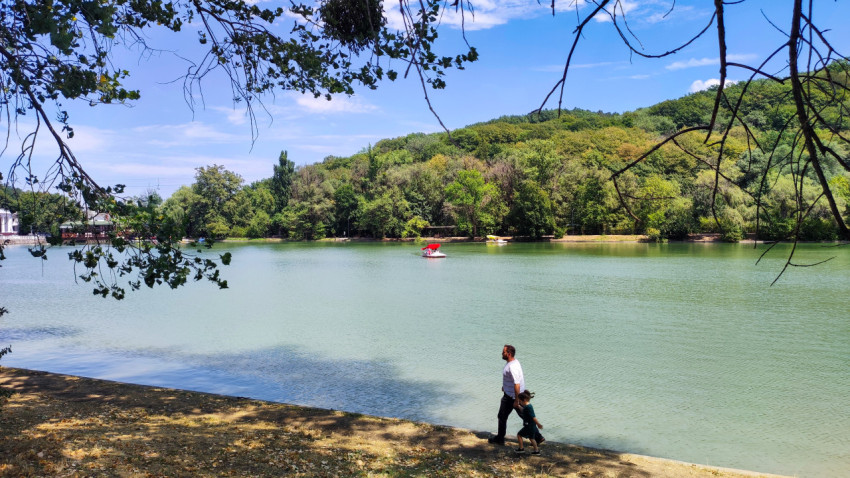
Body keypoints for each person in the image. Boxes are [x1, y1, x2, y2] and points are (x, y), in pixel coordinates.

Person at [488, 344, 525, 445]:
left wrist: (516, 400)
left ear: (509, 354)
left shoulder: (512, 366)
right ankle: (538, 437)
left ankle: (500, 439)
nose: (502, 353)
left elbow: (517, 384)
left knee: (502, 416)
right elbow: (512, 380)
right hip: (514, 395)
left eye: (503, 352)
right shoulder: (514, 362)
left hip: (512, 397)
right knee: (525, 416)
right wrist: (505, 386)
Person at [515, 390, 543, 455]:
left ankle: (521, 449)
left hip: (529, 426)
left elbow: (533, 417)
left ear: (524, 400)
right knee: (532, 438)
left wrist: (538, 424)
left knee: (519, 435)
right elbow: (524, 410)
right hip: (531, 426)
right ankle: (536, 451)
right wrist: (519, 406)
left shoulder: (528, 407)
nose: (520, 402)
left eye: (520, 401)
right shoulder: (527, 406)